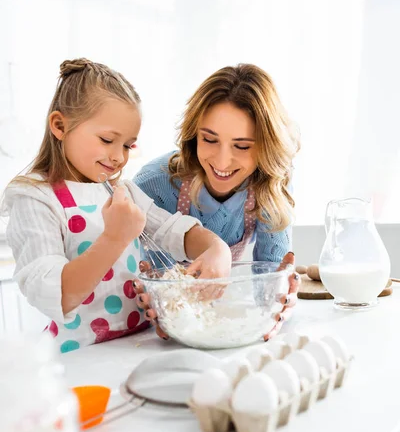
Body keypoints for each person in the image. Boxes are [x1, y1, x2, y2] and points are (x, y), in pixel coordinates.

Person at [2, 58, 232, 352]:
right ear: (60, 126)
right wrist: (115, 237)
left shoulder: (121, 190)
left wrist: (217, 250)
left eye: (127, 145)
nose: (119, 157)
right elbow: (55, 293)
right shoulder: (34, 197)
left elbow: (173, 231)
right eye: (107, 140)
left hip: (139, 343)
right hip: (79, 354)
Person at [133, 64, 300, 340]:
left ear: (267, 146)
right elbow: (147, 283)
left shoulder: (270, 184)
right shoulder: (154, 184)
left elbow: (270, 283)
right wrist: (158, 308)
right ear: (193, 135)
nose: (222, 162)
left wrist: (280, 300)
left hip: (216, 323)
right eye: (209, 139)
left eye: (242, 146)